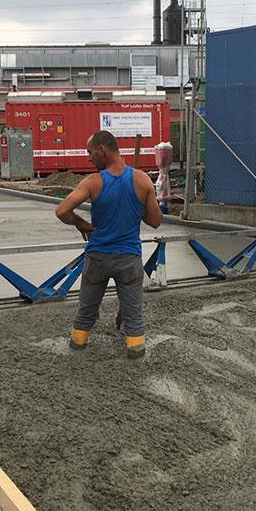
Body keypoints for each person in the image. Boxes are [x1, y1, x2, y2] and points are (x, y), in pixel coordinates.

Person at [55, 130, 163, 359]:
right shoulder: (142, 180)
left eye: (90, 152)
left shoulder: (93, 182)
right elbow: (155, 222)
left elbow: (62, 210)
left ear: (102, 150)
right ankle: (136, 351)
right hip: (129, 259)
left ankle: (77, 348)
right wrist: (138, 202)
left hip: (98, 257)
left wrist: (81, 223)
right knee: (133, 314)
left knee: (86, 311)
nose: (88, 158)